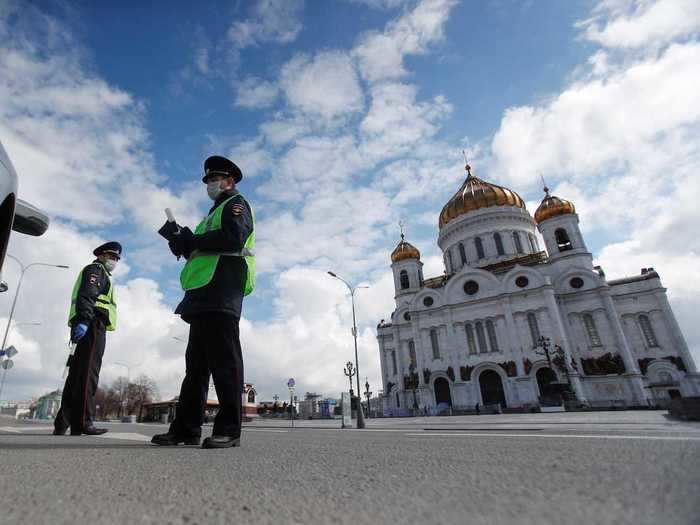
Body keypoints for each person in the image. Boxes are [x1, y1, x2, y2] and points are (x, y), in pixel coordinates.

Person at [152, 155, 254, 449]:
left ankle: (229, 430)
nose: (210, 184)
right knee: (195, 368)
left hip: (223, 288)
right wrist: (180, 238)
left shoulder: (236, 204)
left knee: (225, 363)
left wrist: (194, 240)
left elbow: (233, 239)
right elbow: (196, 251)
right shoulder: (211, 214)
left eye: (214, 179)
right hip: (202, 293)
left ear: (229, 181)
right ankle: (186, 428)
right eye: (208, 180)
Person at [54, 242, 121, 436]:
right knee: (88, 375)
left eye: (117, 258)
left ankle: (63, 422)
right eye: (111, 256)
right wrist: (84, 320)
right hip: (92, 324)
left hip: (86, 324)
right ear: (101, 255)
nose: (114, 260)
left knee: (76, 375)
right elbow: (88, 295)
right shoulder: (96, 270)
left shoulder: (99, 272)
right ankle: (83, 422)